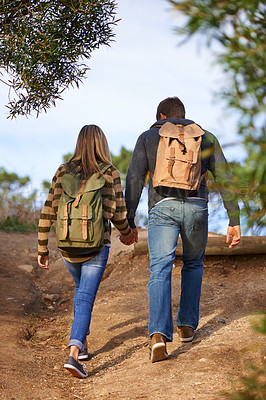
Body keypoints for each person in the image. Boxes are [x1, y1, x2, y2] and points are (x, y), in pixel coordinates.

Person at [125, 97, 241, 363]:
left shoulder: (148, 137)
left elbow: (134, 178)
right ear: (182, 116)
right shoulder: (204, 136)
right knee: (193, 263)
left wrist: (129, 221)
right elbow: (224, 175)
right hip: (196, 208)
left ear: (162, 116)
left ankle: (157, 335)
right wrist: (234, 219)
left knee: (160, 268)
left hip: (162, 207)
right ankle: (187, 326)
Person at [38, 125, 134, 378]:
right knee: (85, 298)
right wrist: (127, 234)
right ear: (102, 144)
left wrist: (42, 248)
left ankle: (83, 346)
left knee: (82, 293)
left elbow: (48, 211)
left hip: (68, 249)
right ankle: (73, 354)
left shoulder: (62, 171)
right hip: (96, 247)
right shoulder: (109, 172)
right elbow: (118, 213)